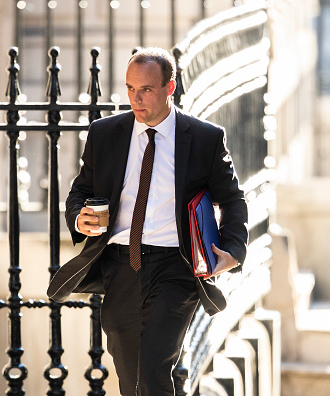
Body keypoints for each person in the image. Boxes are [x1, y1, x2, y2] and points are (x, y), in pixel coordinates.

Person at [47, 47, 248, 395]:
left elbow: (232, 198)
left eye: (146, 90)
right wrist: (80, 218)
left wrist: (232, 250)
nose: (135, 99)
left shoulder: (203, 138)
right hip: (119, 264)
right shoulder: (105, 134)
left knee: (154, 369)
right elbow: (80, 191)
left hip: (175, 267)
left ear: (170, 89)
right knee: (130, 376)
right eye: (129, 88)